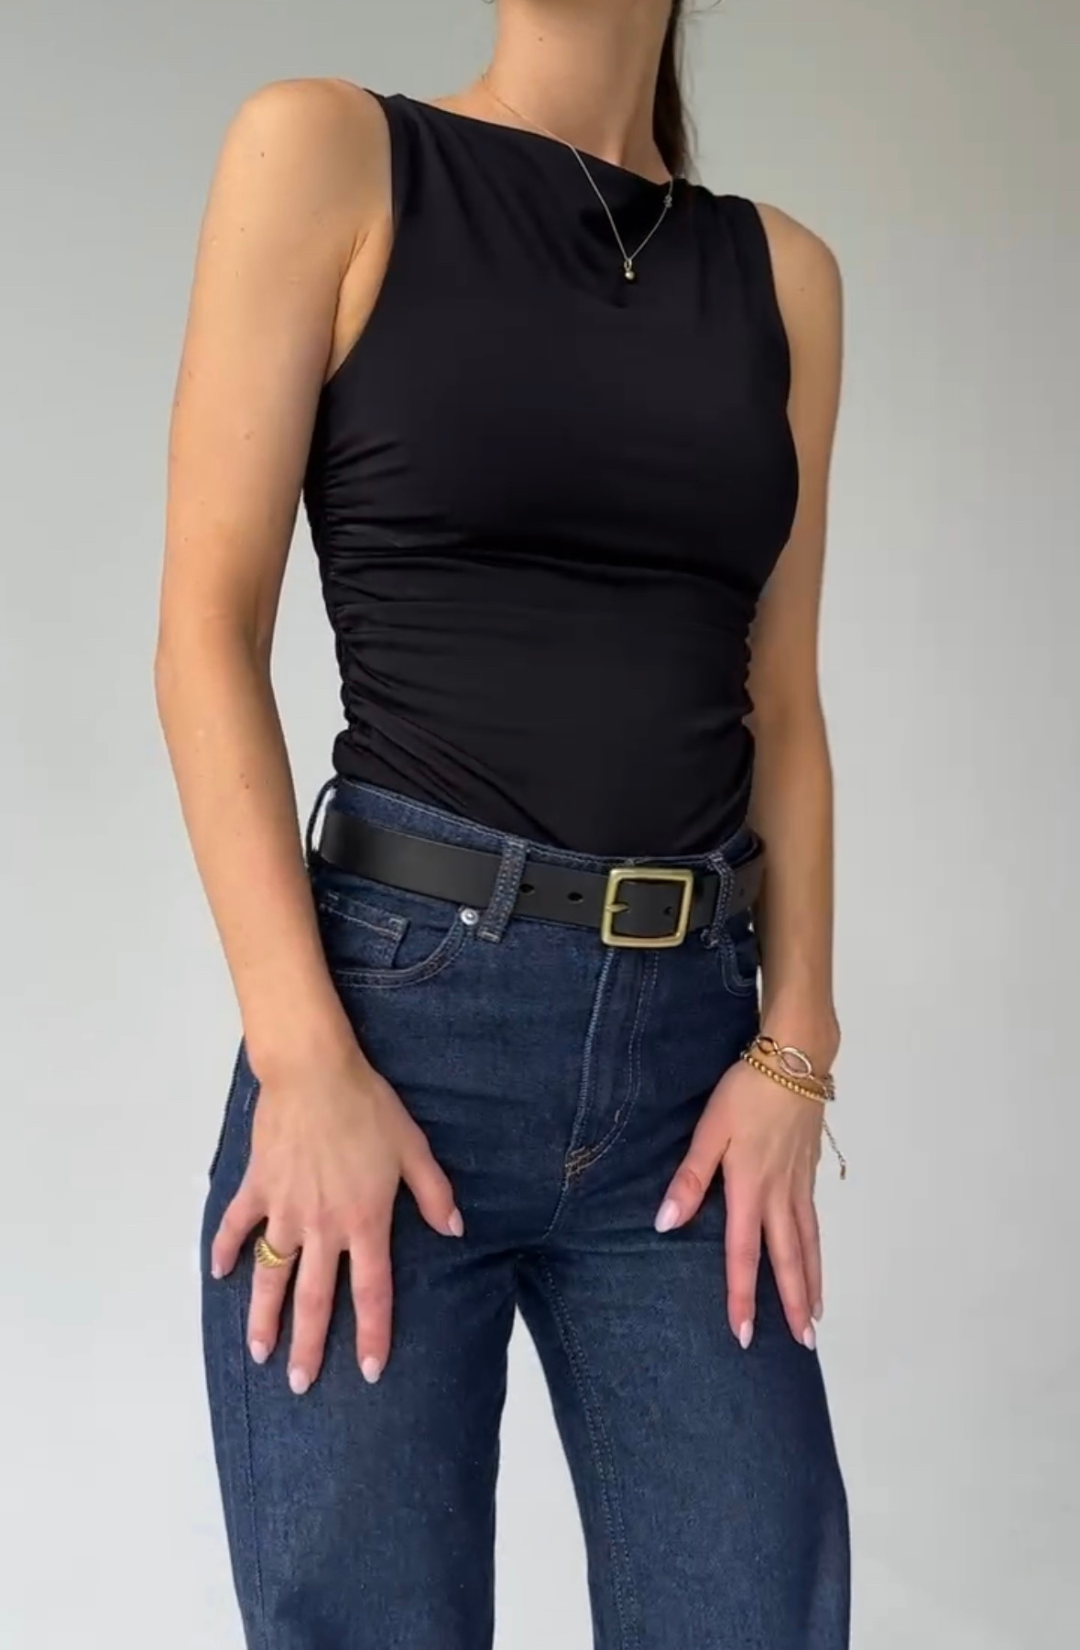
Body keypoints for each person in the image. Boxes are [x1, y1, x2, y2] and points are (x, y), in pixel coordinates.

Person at [155, 1, 850, 1644]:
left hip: (692, 1066)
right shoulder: (328, 153)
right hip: (390, 1037)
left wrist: (797, 1043)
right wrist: (304, 1062)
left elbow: (784, 702)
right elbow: (204, 634)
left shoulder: (784, 279)